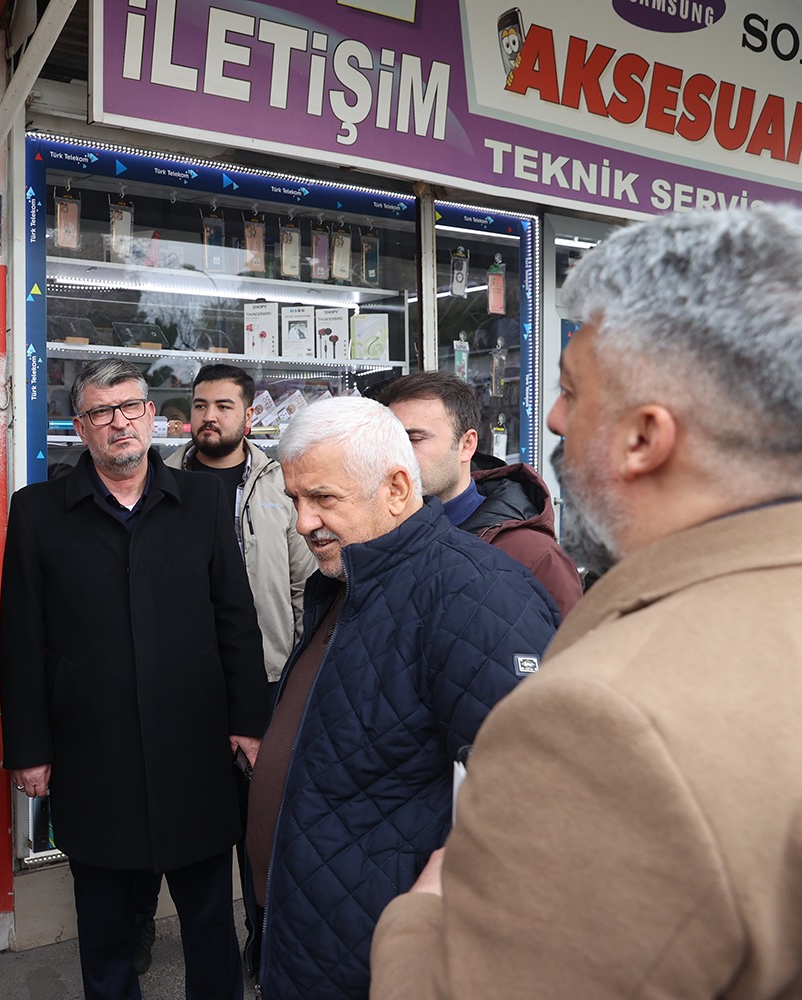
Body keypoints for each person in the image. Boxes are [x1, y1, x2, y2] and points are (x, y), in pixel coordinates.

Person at [370, 205, 802, 999]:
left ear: (645, 437)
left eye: (573, 389)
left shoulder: (603, 724)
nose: (557, 416)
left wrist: (424, 912)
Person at [251, 396, 559, 1000]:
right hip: (313, 943)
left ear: (396, 489)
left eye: (324, 499)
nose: (304, 522)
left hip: (386, 964)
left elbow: (530, 805)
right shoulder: (345, 582)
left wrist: (416, 950)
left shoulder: (474, 594)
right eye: (295, 501)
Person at [1, 357, 268, 1000]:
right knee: (107, 933)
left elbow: (235, 618)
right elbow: (20, 640)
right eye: (100, 412)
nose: (118, 423)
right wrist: (29, 751)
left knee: (209, 924)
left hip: (195, 751)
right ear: (79, 427)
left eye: (130, 408)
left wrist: (249, 724)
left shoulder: (204, 500)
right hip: (94, 756)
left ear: (152, 417)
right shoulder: (38, 512)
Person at [133, 363, 314, 974]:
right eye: (201, 405)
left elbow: (302, 584)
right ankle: (134, 935)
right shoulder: (162, 480)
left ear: (248, 414)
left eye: (224, 406)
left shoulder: (278, 481)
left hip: (263, 678)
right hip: (180, 685)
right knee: (168, 813)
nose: (210, 417)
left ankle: (260, 940)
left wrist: (293, 673)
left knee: (257, 824)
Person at [377, 370, 582, 615]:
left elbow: (573, 650)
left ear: (466, 445)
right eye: (392, 441)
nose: (398, 454)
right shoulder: (377, 538)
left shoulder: (534, 556)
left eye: (414, 439)